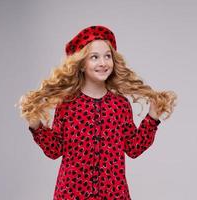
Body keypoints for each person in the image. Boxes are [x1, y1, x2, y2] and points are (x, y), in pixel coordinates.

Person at [17, 25, 177, 200]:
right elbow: (55, 150)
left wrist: (152, 117)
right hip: (72, 195)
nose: (103, 63)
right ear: (82, 65)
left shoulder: (120, 105)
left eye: (107, 56)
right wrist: (35, 124)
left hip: (114, 195)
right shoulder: (68, 105)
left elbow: (133, 148)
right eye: (94, 57)